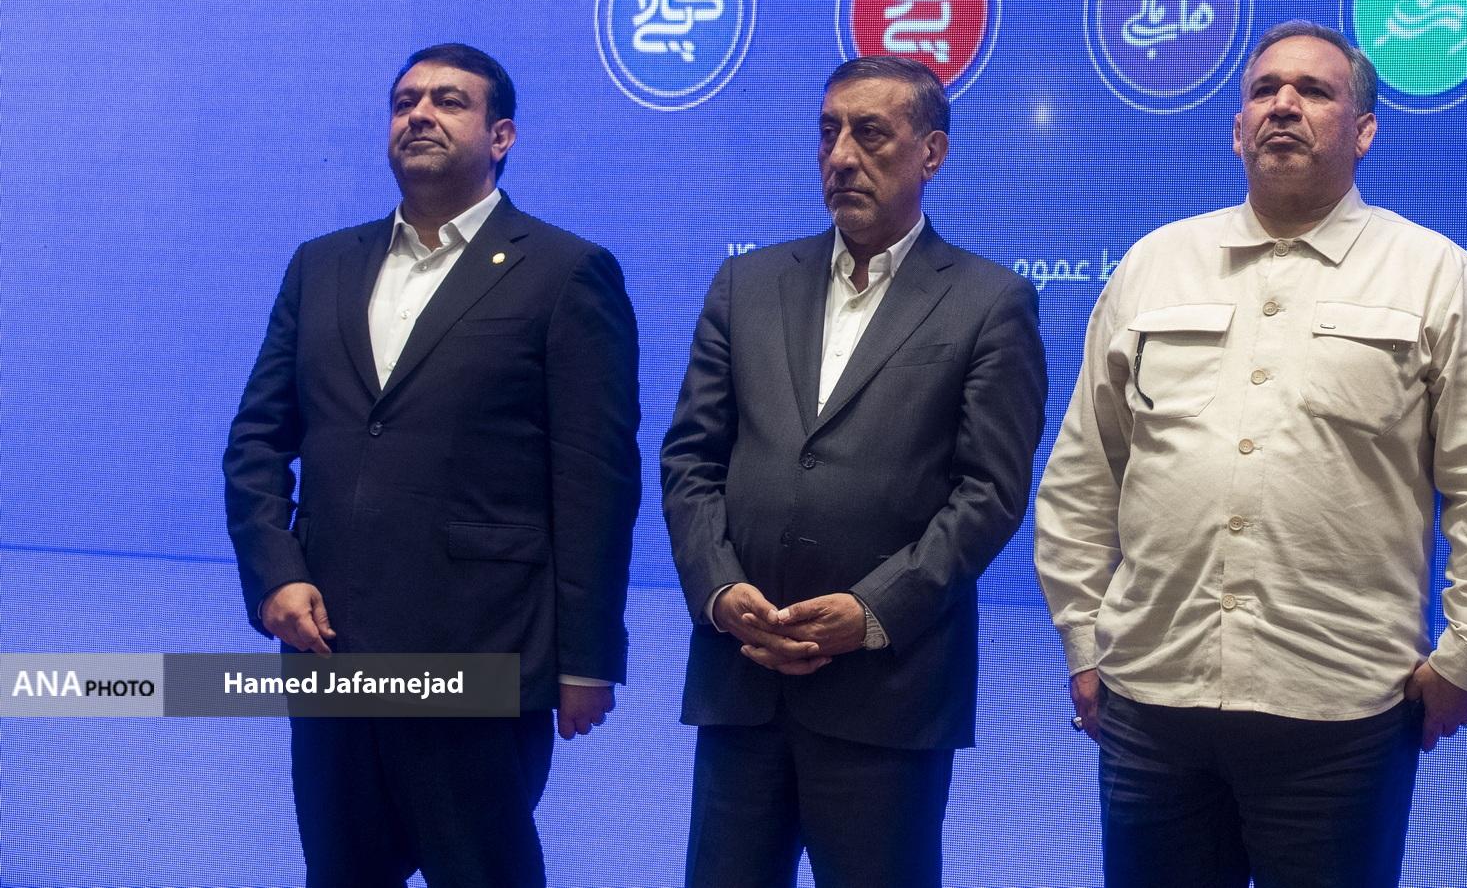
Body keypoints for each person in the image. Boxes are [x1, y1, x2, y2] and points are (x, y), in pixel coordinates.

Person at [1035, 19, 1467, 888]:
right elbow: (1084, 473)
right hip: (1152, 703)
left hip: (1342, 710)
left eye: (1314, 90)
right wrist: (1084, 638)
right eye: (1264, 90)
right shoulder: (1153, 266)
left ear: (1364, 129)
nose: (1283, 105)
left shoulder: (1437, 276)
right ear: (1237, 128)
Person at [224, 43, 642, 888]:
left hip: (478, 649)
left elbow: (595, 482)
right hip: (331, 651)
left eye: (449, 100)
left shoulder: (565, 272)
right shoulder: (321, 265)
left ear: (502, 136)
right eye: (404, 100)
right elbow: (257, 440)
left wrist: (587, 657)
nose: (418, 114)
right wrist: (275, 573)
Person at [660, 55, 1047, 888]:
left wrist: (872, 611)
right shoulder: (746, 283)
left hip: (889, 694)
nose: (841, 155)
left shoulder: (990, 301)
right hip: (743, 679)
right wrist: (720, 592)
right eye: (828, 132)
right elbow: (690, 457)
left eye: (870, 133)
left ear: (931, 152)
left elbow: (989, 493)